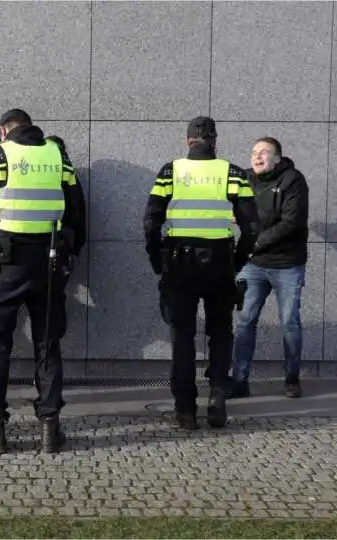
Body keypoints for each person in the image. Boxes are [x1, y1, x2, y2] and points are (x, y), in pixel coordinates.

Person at [0, 109, 86, 454]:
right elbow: (76, 208)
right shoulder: (57, 155)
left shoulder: (0, 154)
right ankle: (50, 428)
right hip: (49, 260)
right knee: (47, 344)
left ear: (4, 130)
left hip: (7, 262)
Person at [144, 116, 258, 430]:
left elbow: (150, 221)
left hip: (179, 264)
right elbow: (252, 228)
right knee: (221, 332)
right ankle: (218, 395)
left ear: (188, 141)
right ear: (215, 141)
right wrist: (237, 261)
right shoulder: (232, 173)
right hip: (221, 261)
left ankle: (185, 410)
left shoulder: (171, 171)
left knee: (182, 336)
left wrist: (156, 260)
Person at [229, 137, 308, 399]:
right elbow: (233, 209)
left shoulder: (293, 180)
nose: (257, 156)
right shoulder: (246, 179)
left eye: (264, 152)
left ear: (277, 157)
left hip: (287, 264)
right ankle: (239, 381)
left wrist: (255, 242)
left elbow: (291, 222)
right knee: (245, 321)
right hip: (254, 265)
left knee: (289, 322)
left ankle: (291, 378)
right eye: (254, 152)